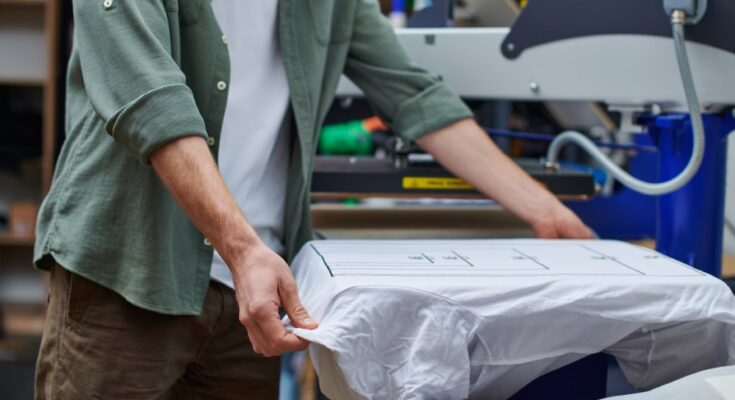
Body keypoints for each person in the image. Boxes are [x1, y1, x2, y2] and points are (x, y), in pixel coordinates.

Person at [33, 0, 594, 398]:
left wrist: (545, 210)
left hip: (251, 294)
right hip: (128, 274)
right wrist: (242, 248)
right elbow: (149, 100)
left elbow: (413, 93)